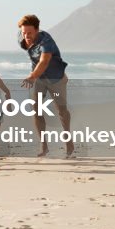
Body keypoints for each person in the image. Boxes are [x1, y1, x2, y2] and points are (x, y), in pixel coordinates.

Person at [17, 14, 74, 158]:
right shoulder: (22, 38)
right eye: (24, 33)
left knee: (61, 110)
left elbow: (44, 61)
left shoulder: (46, 41)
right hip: (39, 80)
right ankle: (43, 145)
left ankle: (68, 141)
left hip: (56, 80)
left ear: (37, 30)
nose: (26, 36)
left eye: (29, 33)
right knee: (35, 109)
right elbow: (32, 54)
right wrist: (35, 76)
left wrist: (31, 76)